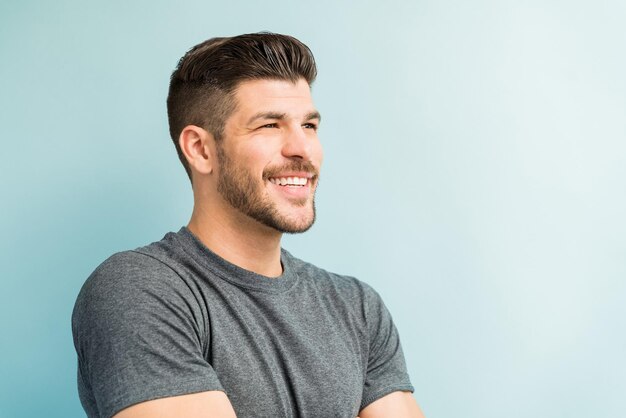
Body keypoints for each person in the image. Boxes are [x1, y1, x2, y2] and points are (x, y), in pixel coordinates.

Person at [72, 32, 425, 418]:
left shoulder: (357, 307)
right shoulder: (139, 289)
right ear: (201, 149)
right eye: (270, 125)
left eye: (309, 125)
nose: (302, 149)